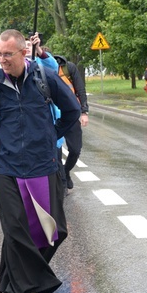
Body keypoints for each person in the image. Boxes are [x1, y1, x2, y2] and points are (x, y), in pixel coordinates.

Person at [0, 29, 80, 293]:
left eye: (7, 54)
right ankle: (26, 291)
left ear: (23, 53)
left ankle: (17, 280)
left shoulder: (45, 78)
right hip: (7, 167)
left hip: (43, 164)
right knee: (16, 231)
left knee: (54, 230)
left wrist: (51, 136)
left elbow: (72, 109)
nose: (1, 60)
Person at [54, 55, 89, 192]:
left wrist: (84, 112)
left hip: (71, 113)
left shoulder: (69, 68)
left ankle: (66, 170)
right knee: (55, 151)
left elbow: (80, 89)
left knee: (75, 150)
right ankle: (62, 183)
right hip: (53, 116)